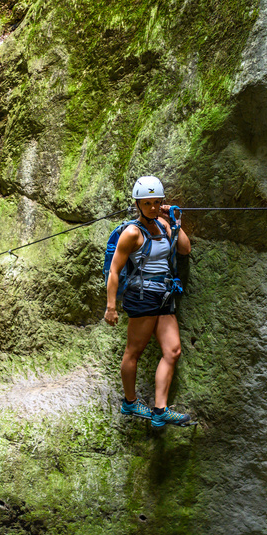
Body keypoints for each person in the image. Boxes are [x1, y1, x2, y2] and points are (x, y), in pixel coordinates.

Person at [104, 176, 192, 428]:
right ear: (137, 204)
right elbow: (114, 270)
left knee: (173, 350)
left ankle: (160, 410)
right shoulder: (132, 233)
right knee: (134, 351)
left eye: (157, 202)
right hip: (142, 298)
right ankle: (130, 402)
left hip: (164, 295)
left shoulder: (164, 225)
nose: (153, 207)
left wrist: (175, 221)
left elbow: (184, 249)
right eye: (147, 203)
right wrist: (111, 306)